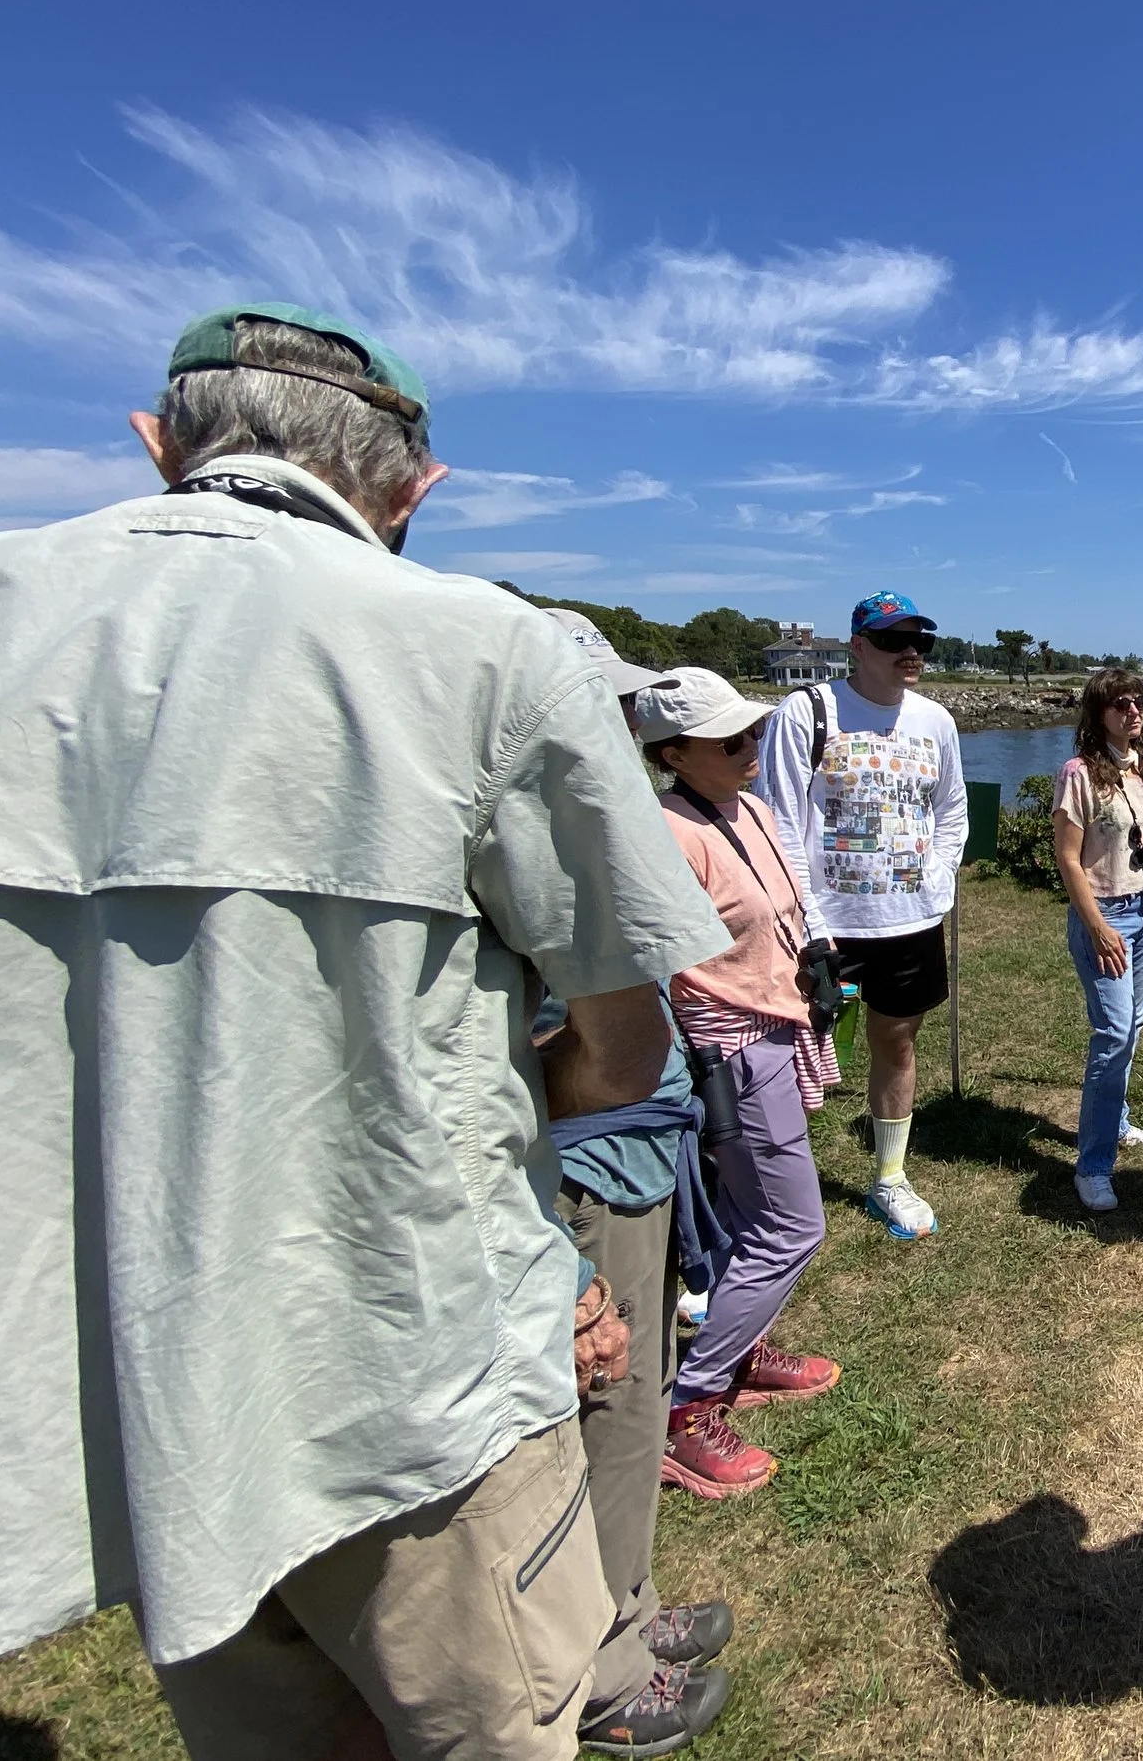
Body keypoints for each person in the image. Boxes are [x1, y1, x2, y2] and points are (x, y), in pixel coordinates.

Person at [0, 303, 733, 1757]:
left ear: (156, 442)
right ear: (414, 487)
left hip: (126, 1371)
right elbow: (624, 1042)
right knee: (486, 1718)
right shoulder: (479, 650)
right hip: (410, 1360)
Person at [535, 606, 739, 1753]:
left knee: (640, 1392)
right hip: (592, 1162)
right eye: (611, 708)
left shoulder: (575, 818)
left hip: (635, 1149)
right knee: (608, 1415)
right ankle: (606, 1675)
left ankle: (628, 1603)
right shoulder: (542, 826)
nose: (627, 727)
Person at [641, 669, 843, 1501]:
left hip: (777, 1023)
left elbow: (785, 900)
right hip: (732, 1046)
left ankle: (742, 1348)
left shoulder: (749, 807)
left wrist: (816, 955)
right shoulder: (667, 831)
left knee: (744, 1213)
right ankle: (688, 1407)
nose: (750, 746)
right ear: (674, 754)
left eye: (752, 730)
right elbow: (660, 959)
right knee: (790, 1226)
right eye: (729, 739)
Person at [755, 590, 968, 1240]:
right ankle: (771, 1192)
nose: (911, 652)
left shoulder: (936, 721)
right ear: (857, 646)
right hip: (825, 926)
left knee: (897, 1042)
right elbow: (779, 820)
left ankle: (890, 1177)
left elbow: (950, 810)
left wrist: (936, 881)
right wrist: (808, 920)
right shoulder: (806, 712)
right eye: (893, 640)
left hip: (910, 922)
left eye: (920, 641)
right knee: (787, 1057)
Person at [1051, 668, 1143, 1213]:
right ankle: (1094, 1166)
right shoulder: (1078, 773)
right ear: (1097, 713)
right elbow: (1068, 859)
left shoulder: (1140, 768)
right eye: (1120, 704)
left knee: (1133, 1027)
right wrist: (1098, 927)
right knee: (1114, 1033)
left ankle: (1117, 1122)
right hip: (1104, 916)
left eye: (1138, 702)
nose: (1133, 712)